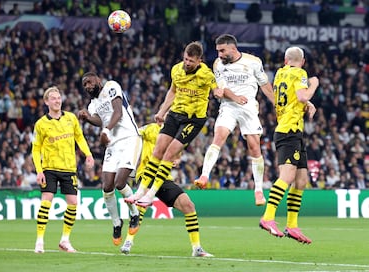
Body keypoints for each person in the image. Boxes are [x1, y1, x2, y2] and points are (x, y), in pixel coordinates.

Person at [124, 41, 217, 207]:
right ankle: (141, 191)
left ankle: (151, 194)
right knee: (158, 149)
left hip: (193, 119)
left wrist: (222, 92)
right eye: (186, 59)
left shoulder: (206, 75)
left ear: (199, 61)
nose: (187, 63)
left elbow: (218, 89)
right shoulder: (176, 69)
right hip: (175, 114)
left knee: (169, 154)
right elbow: (173, 91)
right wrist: (161, 111)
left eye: (191, 61)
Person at [194, 34, 275, 206]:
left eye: (222, 51)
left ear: (232, 48)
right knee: (219, 137)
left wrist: (276, 104)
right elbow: (222, 89)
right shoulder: (218, 65)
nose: (219, 55)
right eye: (218, 51)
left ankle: (259, 191)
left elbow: (265, 85)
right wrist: (235, 97)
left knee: (254, 147)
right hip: (229, 106)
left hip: (248, 107)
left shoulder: (253, 62)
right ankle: (204, 175)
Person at [120, 123, 213, 257]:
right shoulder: (150, 128)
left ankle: (197, 248)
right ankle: (128, 241)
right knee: (141, 204)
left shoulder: (176, 134)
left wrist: (177, 159)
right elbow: (133, 134)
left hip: (164, 177)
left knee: (188, 205)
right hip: (146, 173)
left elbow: (178, 154)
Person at [259, 46, 319, 244]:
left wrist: (306, 104)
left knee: (301, 180)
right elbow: (302, 95)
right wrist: (314, 84)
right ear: (302, 62)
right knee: (288, 177)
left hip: (294, 131)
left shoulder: (279, 74)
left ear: (286, 61)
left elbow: (292, 99)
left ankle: (292, 226)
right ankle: (268, 217)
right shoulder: (300, 73)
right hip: (288, 131)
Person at [78, 72, 141, 246]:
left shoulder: (111, 86)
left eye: (89, 82)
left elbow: (118, 112)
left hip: (129, 138)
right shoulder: (92, 104)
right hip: (113, 145)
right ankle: (116, 222)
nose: (88, 86)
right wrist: (87, 118)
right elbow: (99, 120)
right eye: (84, 85)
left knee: (120, 183)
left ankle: (134, 213)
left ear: (98, 80)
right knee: (107, 186)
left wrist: (106, 131)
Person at [32, 86, 95, 253]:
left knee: (73, 203)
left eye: (58, 97)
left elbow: (79, 137)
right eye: (53, 98)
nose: (57, 101)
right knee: (46, 201)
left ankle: (65, 240)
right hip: (49, 168)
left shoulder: (71, 118)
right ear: (46, 102)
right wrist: (39, 171)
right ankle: (39, 241)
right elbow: (36, 149)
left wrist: (88, 154)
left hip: (69, 168)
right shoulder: (41, 124)